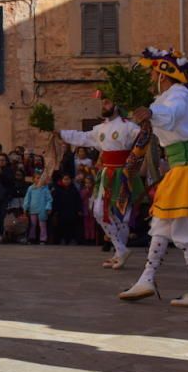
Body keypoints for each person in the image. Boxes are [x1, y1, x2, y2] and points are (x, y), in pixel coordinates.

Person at [119, 48, 188, 308]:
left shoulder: (179, 96)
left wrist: (151, 115)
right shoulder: (171, 97)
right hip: (181, 168)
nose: (151, 75)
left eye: (154, 72)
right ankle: (147, 279)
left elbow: (169, 115)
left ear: (163, 74)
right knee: (161, 227)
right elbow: (151, 122)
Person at [58, 91, 142, 268]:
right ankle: (121, 250)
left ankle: (119, 253)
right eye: (103, 103)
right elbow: (82, 137)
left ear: (116, 106)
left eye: (107, 103)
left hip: (123, 174)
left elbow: (144, 138)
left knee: (122, 215)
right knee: (98, 210)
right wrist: (62, 134)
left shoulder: (129, 126)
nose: (103, 106)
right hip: (106, 174)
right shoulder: (100, 129)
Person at [21, 172, 52, 244]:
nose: (39, 179)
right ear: (33, 179)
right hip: (33, 209)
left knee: (42, 225)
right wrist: (25, 208)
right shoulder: (31, 188)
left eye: (40, 178)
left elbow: (49, 199)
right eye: (37, 178)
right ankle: (32, 238)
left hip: (42, 210)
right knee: (33, 225)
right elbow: (27, 198)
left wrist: (48, 208)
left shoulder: (45, 189)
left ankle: (43, 239)